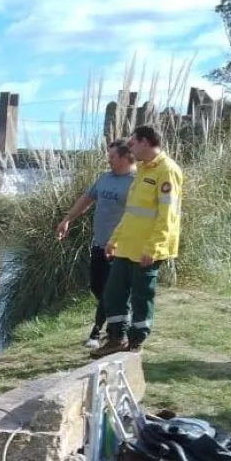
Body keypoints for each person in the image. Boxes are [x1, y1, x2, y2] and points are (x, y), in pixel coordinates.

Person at [91, 124, 183, 358]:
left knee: (142, 296)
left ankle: (135, 342)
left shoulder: (167, 170)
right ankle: (115, 338)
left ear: (145, 141)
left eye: (132, 143)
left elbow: (168, 216)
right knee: (113, 293)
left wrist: (154, 247)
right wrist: (114, 240)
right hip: (127, 246)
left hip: (147, 249)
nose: (129, 149)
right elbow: (132, 212)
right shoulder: (142, 170)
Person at [56, 139, 135, 349]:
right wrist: (67, 220)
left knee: (111, 290)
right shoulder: (105, 178)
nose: (108, 160)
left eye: (112, 156)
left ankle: (101, 331)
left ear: (126, 157)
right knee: (96, 286)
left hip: (119, 247)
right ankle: (118, 320)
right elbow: (86, 199)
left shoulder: (136, 181)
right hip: (99, 244)